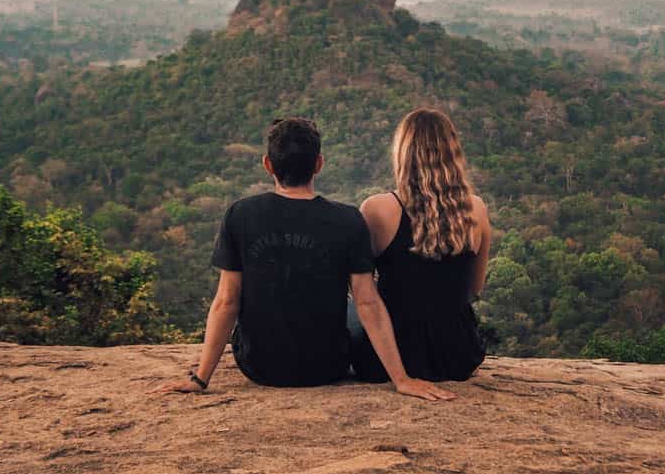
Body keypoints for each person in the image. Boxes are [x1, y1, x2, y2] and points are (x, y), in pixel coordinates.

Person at [150, 116, 455, 401]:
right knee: (354, 305)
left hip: (259, 367)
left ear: (268, 165)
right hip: (326, 367)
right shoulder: (348, 220)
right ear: (319, 164)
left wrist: (200, 378)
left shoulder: (240, 215)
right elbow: (367, 303)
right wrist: (401, 380)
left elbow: (226, 301)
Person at [350, 108, 489, 384]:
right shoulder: (476, 209)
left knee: (350, 305)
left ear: (403, 153)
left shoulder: (377, 209)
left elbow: (361, 293)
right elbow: (474, 287)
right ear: (452, 153)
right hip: (457, 356)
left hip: (390, 359)